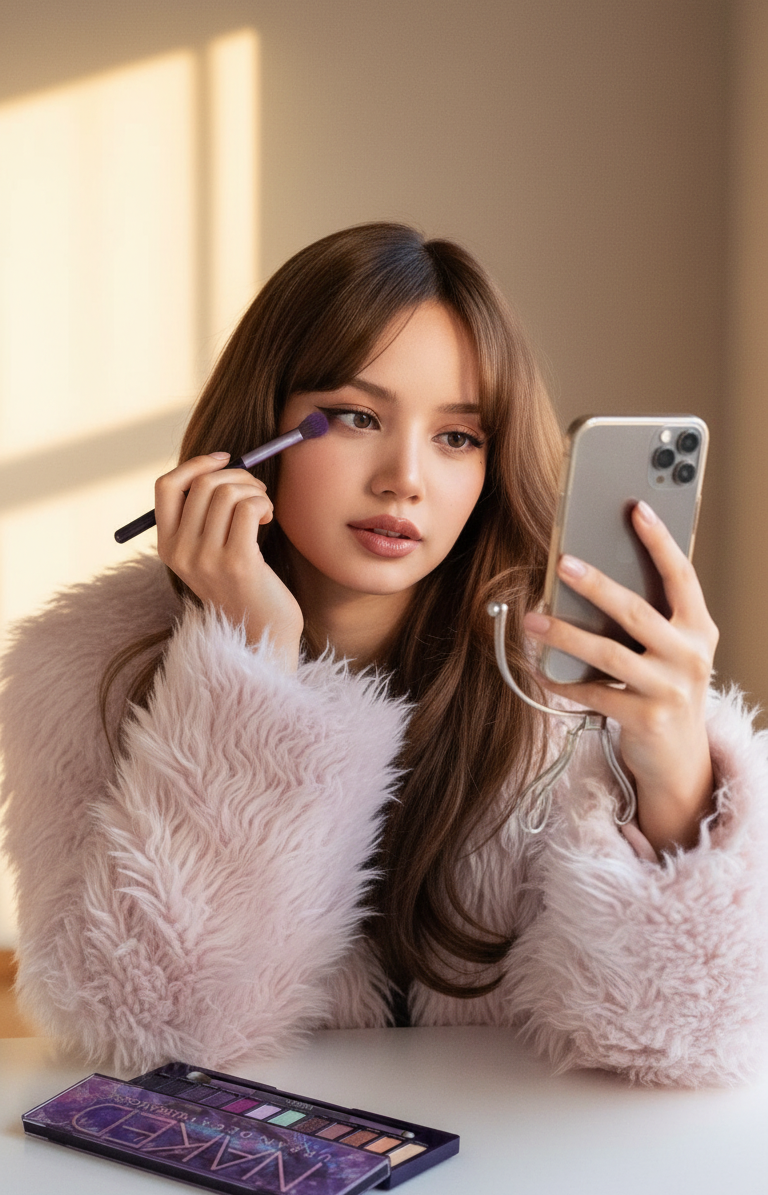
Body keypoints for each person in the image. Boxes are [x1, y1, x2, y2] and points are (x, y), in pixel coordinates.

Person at [2, 223, 767, 1085]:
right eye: (358, 417)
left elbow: (678, 1042)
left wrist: (673, 774)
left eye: (457, 437)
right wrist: (252, 667)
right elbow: (148, 1039)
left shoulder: (561, 680)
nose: (404, 477)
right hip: (252, 1189)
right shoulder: (83, 675)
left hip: (521, 1180)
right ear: (259, 432)